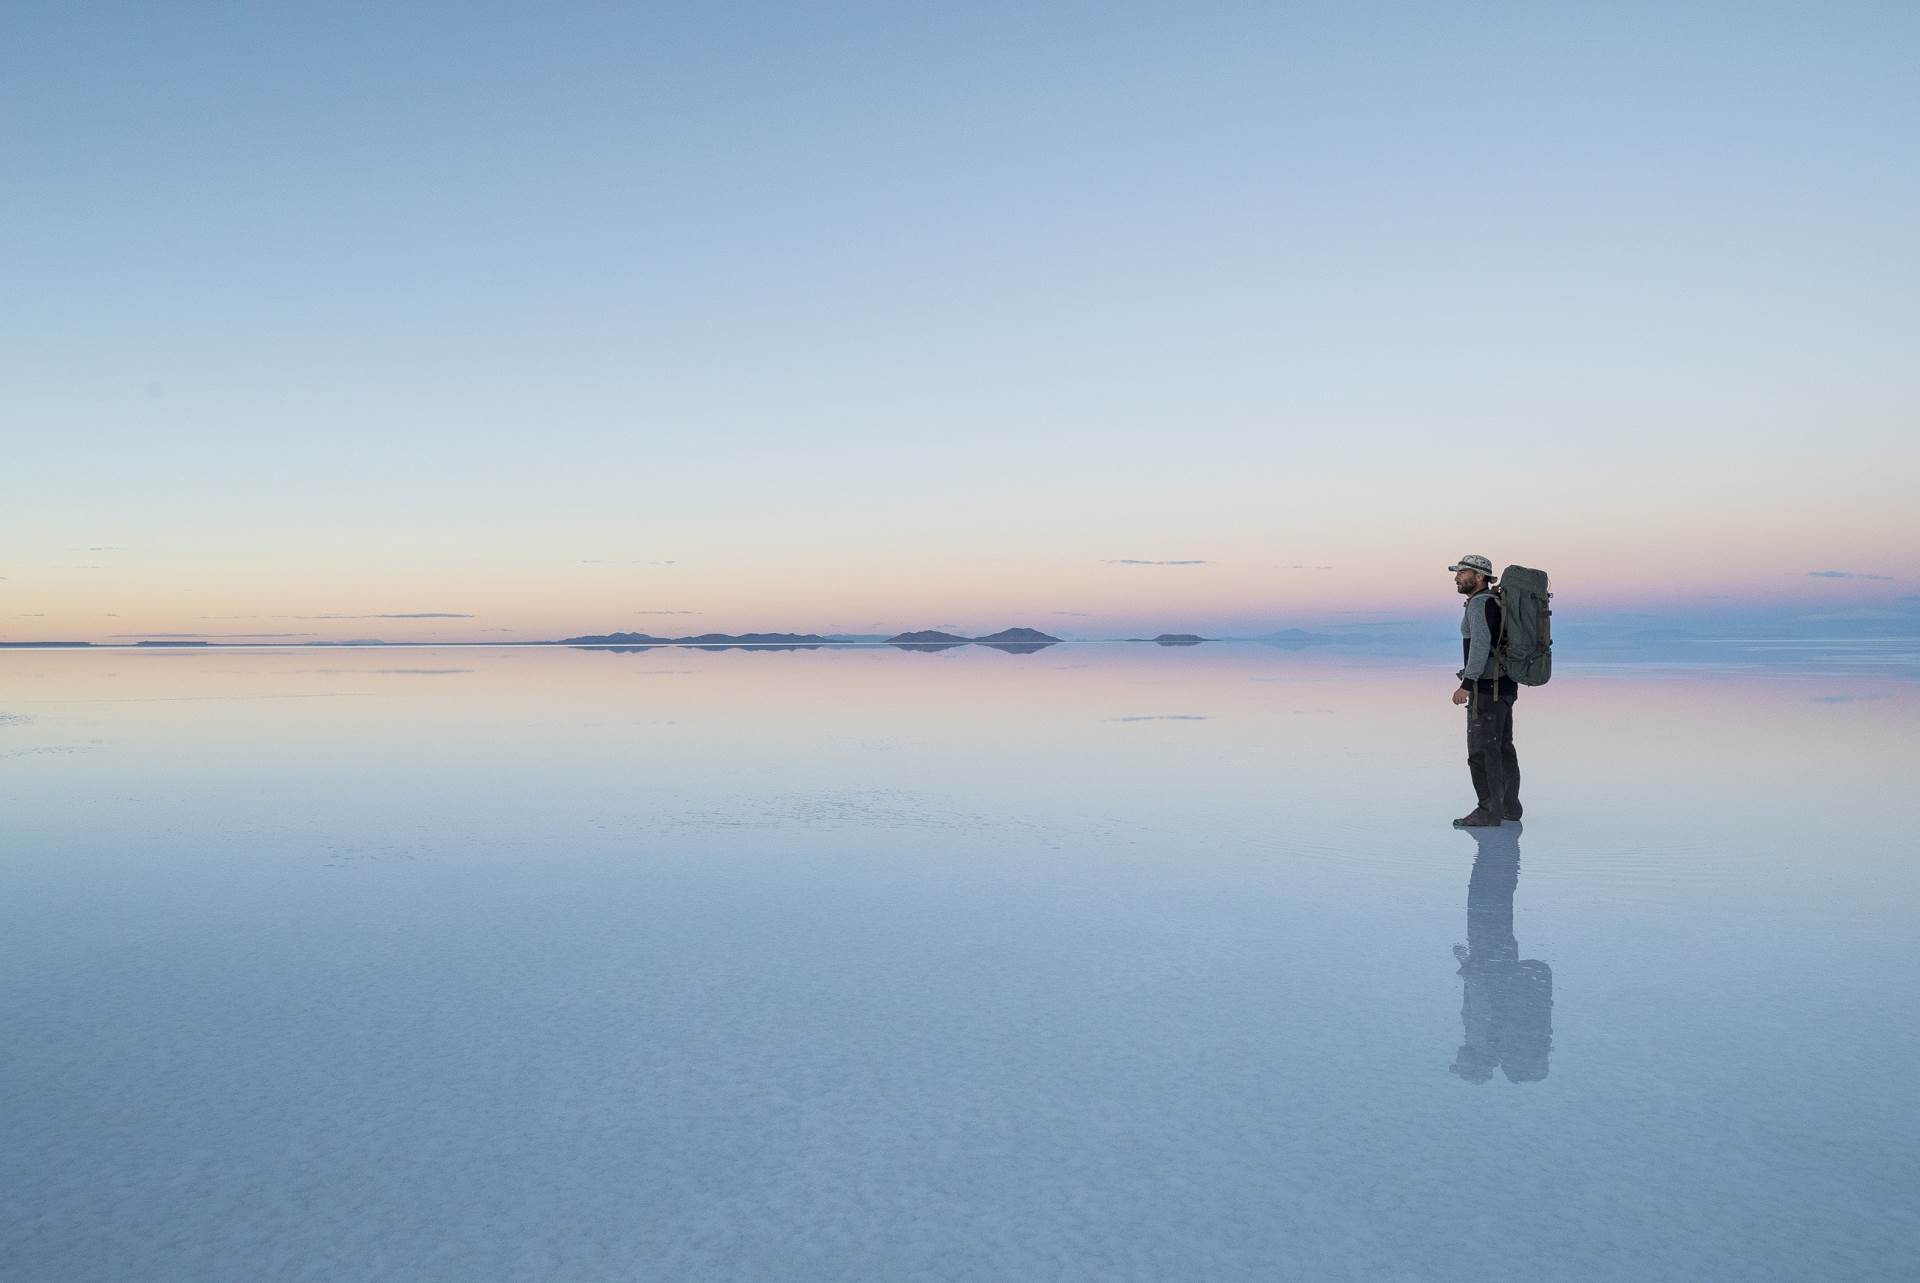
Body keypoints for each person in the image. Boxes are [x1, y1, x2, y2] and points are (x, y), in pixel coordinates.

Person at [1450, 822, 1553, 1083]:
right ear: (1474, 1064)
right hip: (1491, 961)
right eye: (1460, 1065)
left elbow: (1484, 1002)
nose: (1457, 1059)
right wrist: (1467, 964)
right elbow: (1482, 1001)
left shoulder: (1486, 1042)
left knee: (1494, 904)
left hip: (1497, 962)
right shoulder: (1480, 1038)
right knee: (1487, 901)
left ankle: (1500, 852)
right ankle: (1499, 850)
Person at [1448, 554, 1521, 828]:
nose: (1456, 577)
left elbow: (1480, 646)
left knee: (1481, 751)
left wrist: (1466, 685)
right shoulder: (1496, 602)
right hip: (1505, 686)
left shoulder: (1479, 605)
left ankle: (1488, 810)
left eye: (1462, 573)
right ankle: (1510, 807)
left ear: (1479, 576)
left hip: (1487, 689)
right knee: (1502, 747)